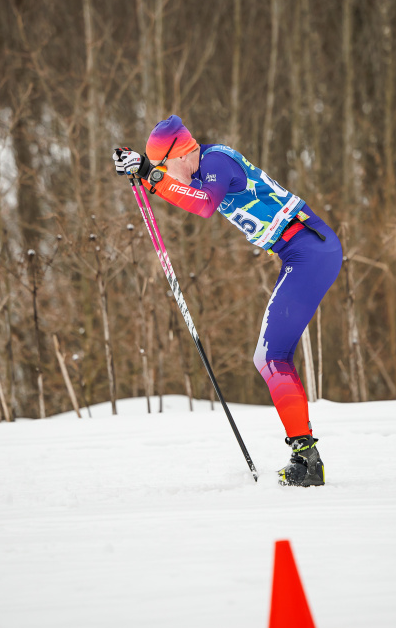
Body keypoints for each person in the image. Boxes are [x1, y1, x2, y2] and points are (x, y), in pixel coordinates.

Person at [113, 115, 342, 487]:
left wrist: (150, 176)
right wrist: (142, 171)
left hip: (311, 250)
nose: (166, 174)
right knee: (270, 358)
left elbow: (202, 205)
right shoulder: (200, 170)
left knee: (271, 357)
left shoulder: (216, 162)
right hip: (300, 253)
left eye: (166, 166)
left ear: (184, 153)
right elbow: (186, 192)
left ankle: (307, 459)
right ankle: (306, 456)